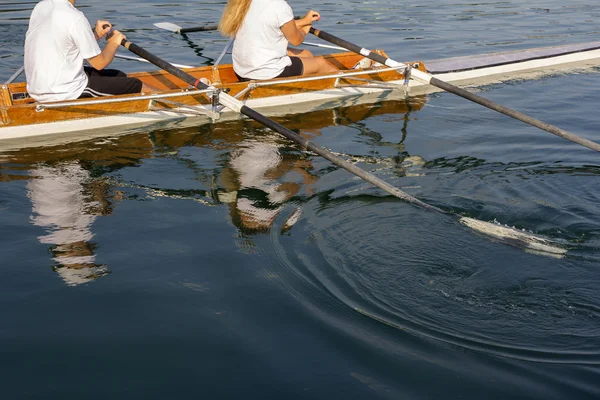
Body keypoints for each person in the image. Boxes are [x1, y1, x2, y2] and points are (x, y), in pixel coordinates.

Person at [24, 0, 142, 103]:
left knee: (119, 76)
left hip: (38, 86)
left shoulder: (40, 7)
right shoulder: (75, 16)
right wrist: (114, 42)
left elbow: (65, 42)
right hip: (63, 92)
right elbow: (99, 63)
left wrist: (95, 35)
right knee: (135, 84)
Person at [219, 0, 338, 81]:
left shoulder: (247, 2)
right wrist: (305, 30)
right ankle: (351, 84)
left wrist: (305, 20)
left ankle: (307, 86)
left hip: (241, 69)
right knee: (321, 63)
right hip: (263, 72)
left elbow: (274, 25)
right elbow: (296, 40)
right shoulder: (280, 6)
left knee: (306, 54)